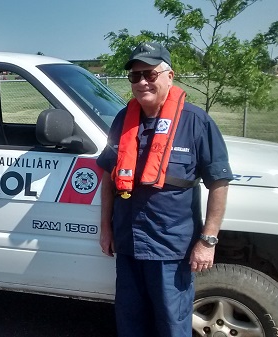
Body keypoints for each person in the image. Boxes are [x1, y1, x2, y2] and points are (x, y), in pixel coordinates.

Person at [96, 42, 233, 336]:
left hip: (171, 249)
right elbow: (109, 177)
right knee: (131, 322)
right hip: (128, 244)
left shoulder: (196, 122)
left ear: (170, 75)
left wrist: (208, 240)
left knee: (172, 324)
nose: (142, 82)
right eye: (135, 76)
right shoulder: (123, 119)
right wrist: (105, 228)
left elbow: (219, 182)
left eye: (150, 73)